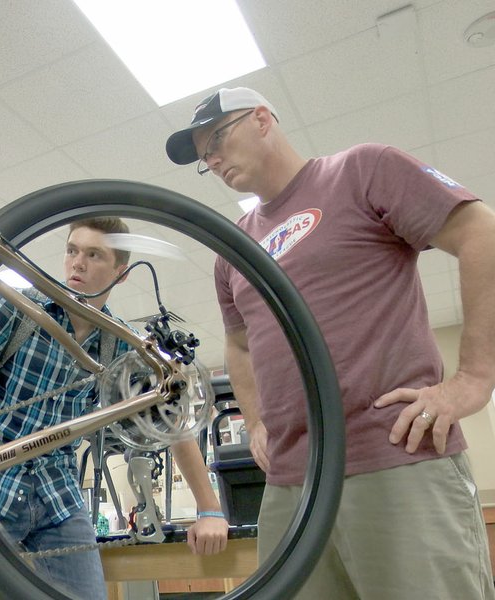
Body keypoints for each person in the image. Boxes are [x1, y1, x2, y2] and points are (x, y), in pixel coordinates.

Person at [166, 86, 495, 599]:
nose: (212, 158)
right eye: (204, 156)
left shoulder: (362, 170)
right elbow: (240, 344)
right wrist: (254, 423)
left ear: (261, 119)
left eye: (217, 139)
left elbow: (482, 234)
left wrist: (473, 379)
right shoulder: (233, 247)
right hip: (291, 487)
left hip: (393, 459)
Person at [0, 218, 229, 600]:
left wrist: (209, 508)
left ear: (121, 273)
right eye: (72, 250)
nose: (77, 263)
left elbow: (168, 423)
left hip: (59, 496)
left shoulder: (120, 344)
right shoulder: (16, 309)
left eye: (94, 254)